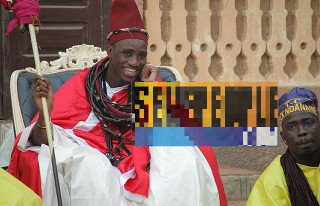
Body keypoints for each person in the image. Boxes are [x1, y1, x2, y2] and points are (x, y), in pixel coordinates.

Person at [8, 0, 227, 205]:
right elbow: (41, 139)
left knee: (184, 160)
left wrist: (149, 91)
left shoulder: (149, 82)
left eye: (141, 55)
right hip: (97, 165)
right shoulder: (82, 85)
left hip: (139, 162)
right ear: (110, 52)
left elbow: (179, 133)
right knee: (91, 168)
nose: (135, 62)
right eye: (128, 53)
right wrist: (46, 110)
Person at [247, 87, 320, 206]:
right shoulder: (273, 180)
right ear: (283, 137)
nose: (301, 132)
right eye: (291, 126)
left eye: (308, 123)